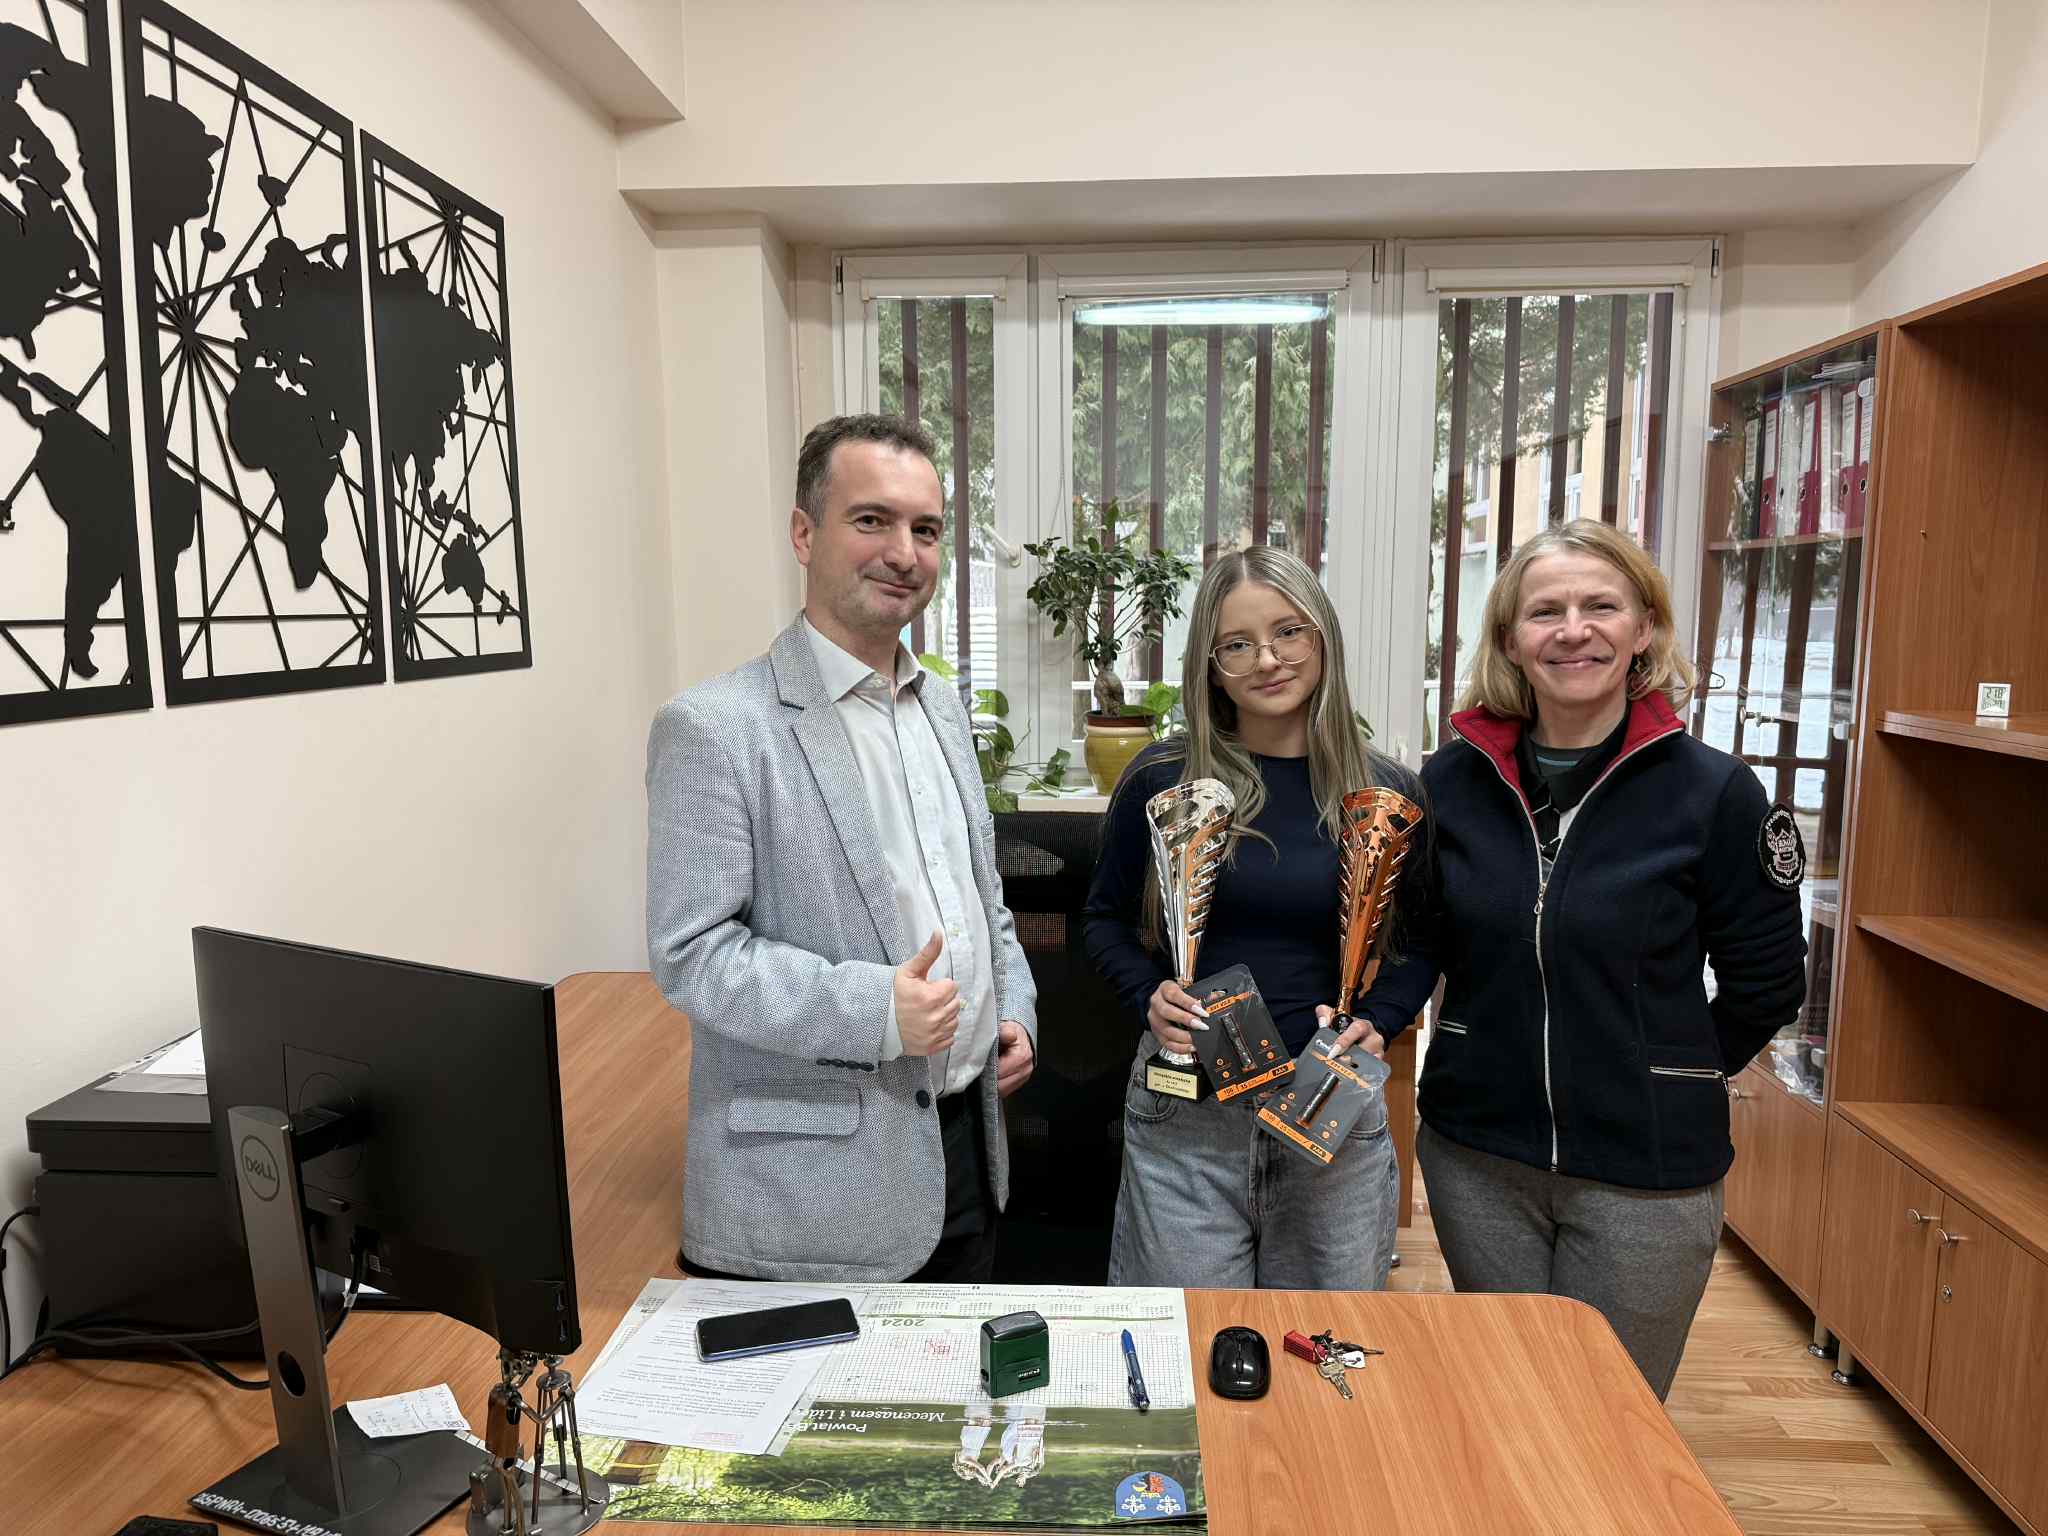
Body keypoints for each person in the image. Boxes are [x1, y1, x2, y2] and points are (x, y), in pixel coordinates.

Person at [1348, 518, 1806, 1400]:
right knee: (1509, 1402)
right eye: (1545, 611)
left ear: (1644, 628)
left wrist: (1668, 1073)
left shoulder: (1715, 792)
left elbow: (1769, 981)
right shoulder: (1450, 782)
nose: (1573, 630)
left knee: (1608, 1418)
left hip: (1646, 1177)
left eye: (1601, 606)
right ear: (1510, 641)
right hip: (1479, 1159)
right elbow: (1422, 939)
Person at [645, 414, 1038, 1283]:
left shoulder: (942, 708)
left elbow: (980, 898)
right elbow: (691, 956)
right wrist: (874, 1011)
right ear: (803, 533)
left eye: (926, 530)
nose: (904, 553)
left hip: (966, 1150)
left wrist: (1011, 1011)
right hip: (812, 1195)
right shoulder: (714, 729)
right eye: (871, 520)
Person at [1082, 546, 1416, 1290]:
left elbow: (1422, 940)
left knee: (1324, 1341)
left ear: (1322, 637)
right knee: (1185, 1340)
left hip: (1330, 1105)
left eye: (1288, 632)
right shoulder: (1163, 780)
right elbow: (1103, 920)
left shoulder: (1384, 792)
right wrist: (1149, 995)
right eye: (1236, 644)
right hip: (1189, 1116)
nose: (1267, 659)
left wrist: (1382, 1018)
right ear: (1210, 667)